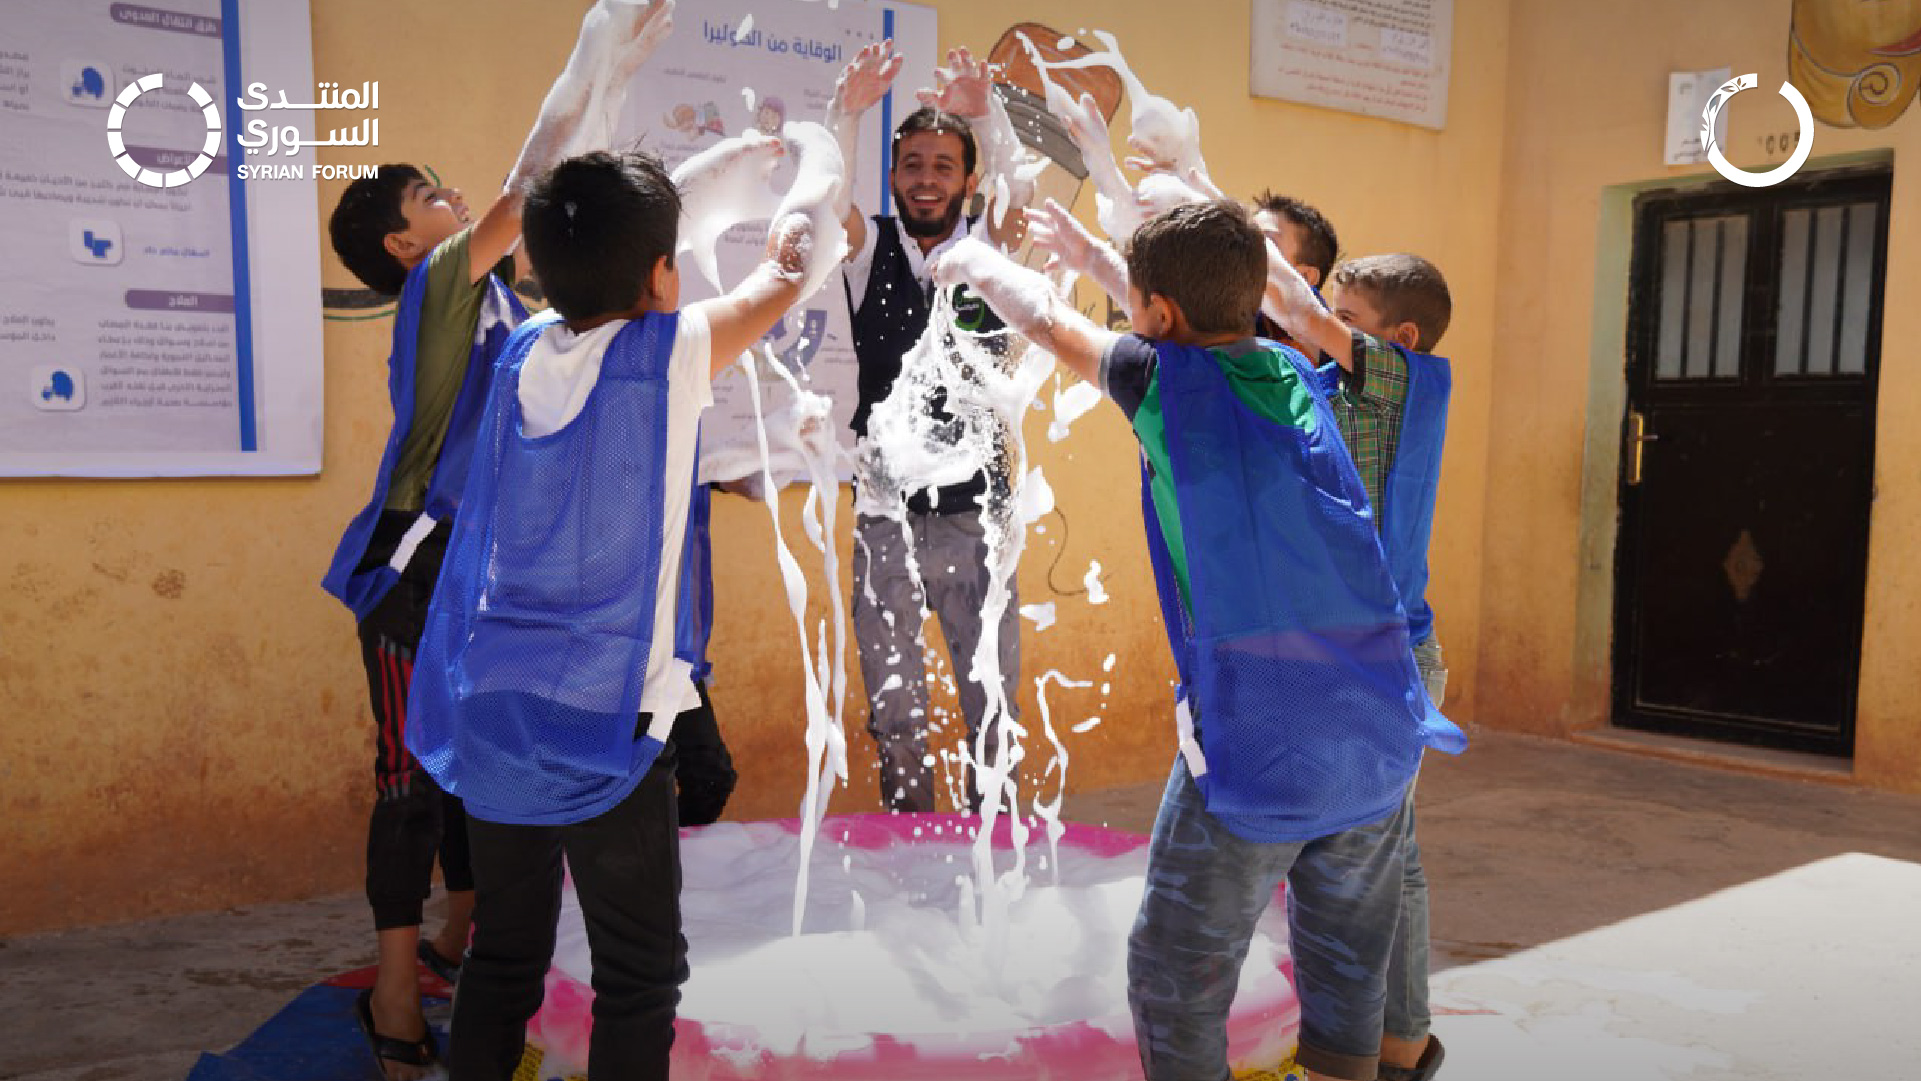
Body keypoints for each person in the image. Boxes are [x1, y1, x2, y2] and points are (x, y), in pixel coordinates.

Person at [943, 199, 1464, 1081]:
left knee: (1176, 969)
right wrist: (1102, 258)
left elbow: (1043, 315)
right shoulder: (1301, 370)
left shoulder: (1162, 385)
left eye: (1140, 305)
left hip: (1261, 731)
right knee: (1344, 960)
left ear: (1156, 316)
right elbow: (1176, 311)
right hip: (1377, 725)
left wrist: (963, 258)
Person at [404, 133, 840, 1080]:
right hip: (606, 715)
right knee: (638, 972)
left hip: (498, 701)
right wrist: (817, 146)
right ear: (660, 274)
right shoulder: (669, 351)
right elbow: (788, 268)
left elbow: (592, 262)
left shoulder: (522, 351)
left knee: (505, 952)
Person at [319, 3, 673, 1074]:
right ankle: (392, 994)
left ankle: (459, 943)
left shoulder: (514, 310)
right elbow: (534, 180)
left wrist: (610, 89)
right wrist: (595, 41)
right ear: (401, 243)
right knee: (408, 782)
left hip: (480, 575)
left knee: (483, 775)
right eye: (431, 197)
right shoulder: (437, 290)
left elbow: (573, 201)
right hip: (411, 570)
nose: (456, 200)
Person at [823, 42, 1038, 813]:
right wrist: (845, 112)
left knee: (993, 704)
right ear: (892, 175)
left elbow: (1025, 197)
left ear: (966, 180)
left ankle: (1000, 852)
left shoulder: (991, 252)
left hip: (977, 513)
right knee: (895, 709)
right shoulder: (863, 249)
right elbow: (819, 205)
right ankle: (907, 851)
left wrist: (985, 111)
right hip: (884, 513)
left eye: (942, 165)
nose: (924, 178)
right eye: (911, 164)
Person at [1317, 251, 1456, 1081]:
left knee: (1380, 857)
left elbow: (1303, 323)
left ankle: (1396, 1045)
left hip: (1389, 663)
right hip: (1350, 658)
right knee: (1379, 851)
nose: (1331, 328)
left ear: (1397, 337)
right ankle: (1399, 1040)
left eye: (1350, 320)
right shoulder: (1334, 389)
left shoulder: (1408, 382)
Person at [671, 481, 738, 827]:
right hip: (614, 642)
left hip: (677, 652)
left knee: (710, 779)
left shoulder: (695, 435)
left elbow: (747, 479)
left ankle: (677, 871)